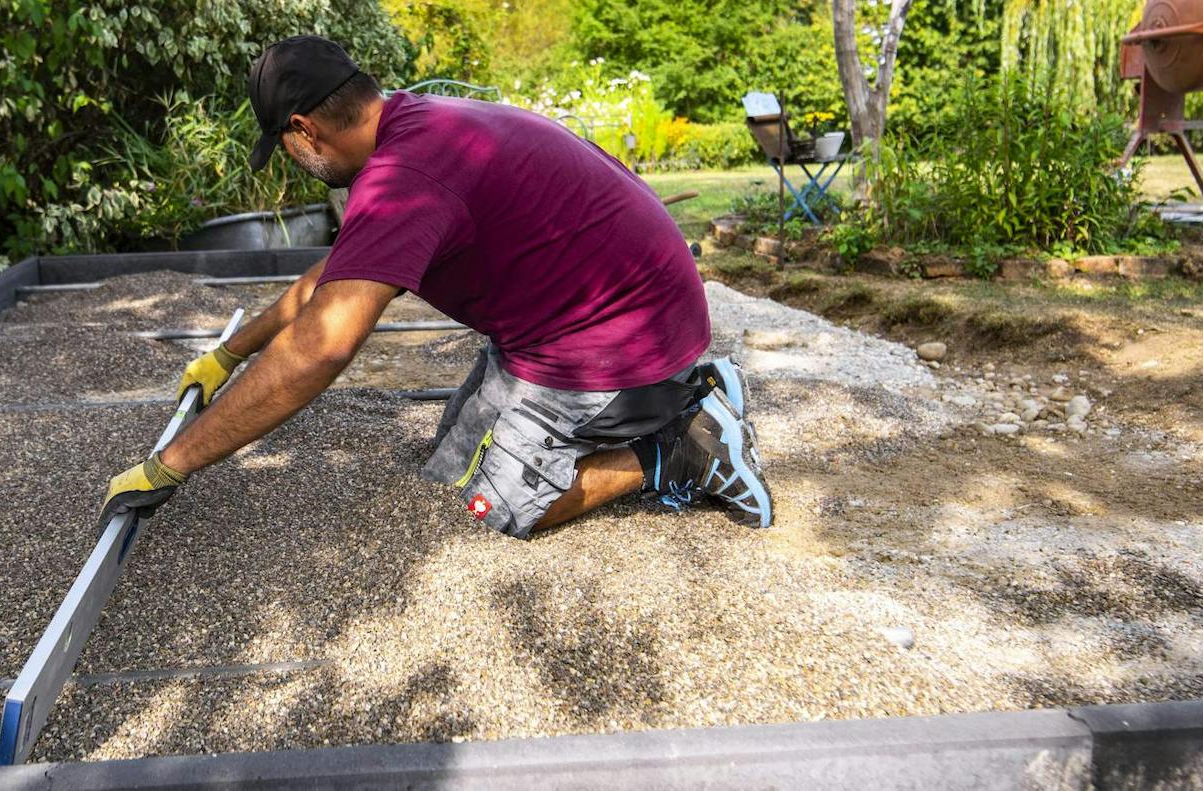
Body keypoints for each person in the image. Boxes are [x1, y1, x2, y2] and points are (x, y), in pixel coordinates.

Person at [102, 35, 772, 537]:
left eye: (283, 147)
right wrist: (228, 355)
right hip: (576, 321)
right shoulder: (416, 126)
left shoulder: (409, 177)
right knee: (447, 473)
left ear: (302, 130)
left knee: (491, 510)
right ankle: (684, 399)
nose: (294, 163)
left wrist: (172, 463)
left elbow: (322, 347)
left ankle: (679, 449)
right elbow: (332, 283)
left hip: (618, 343)